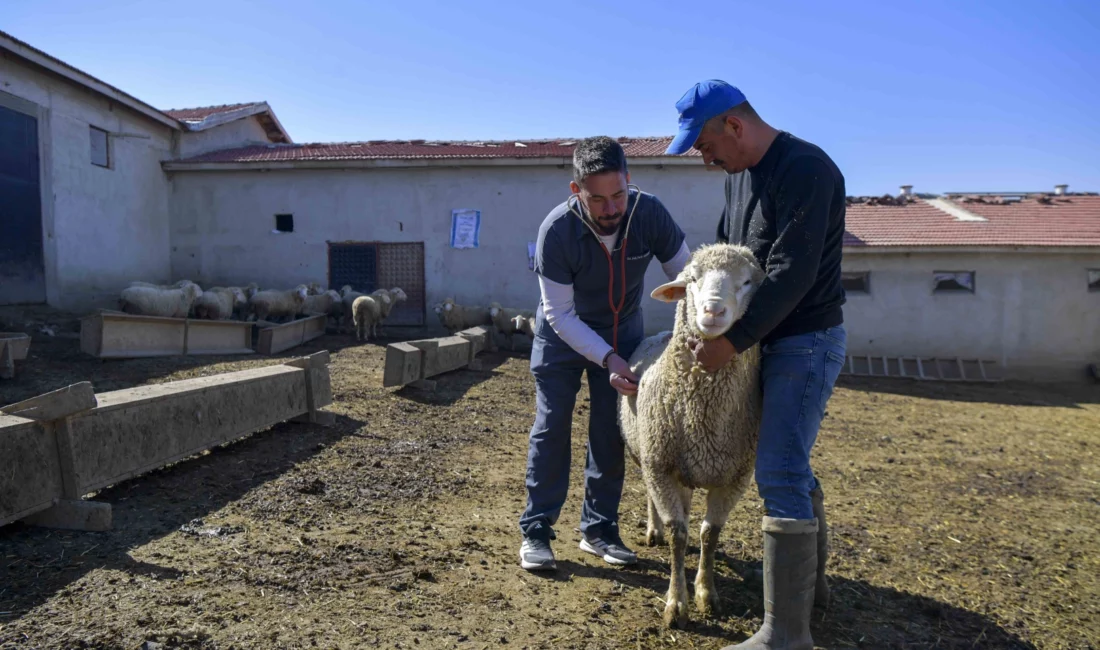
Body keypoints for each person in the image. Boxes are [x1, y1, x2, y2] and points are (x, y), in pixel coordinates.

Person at [664, 80, 847, 649]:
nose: (704, 156)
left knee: (778, 470)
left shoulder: (807, 170)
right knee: (788, 460)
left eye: (704, 143)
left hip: (803, 340)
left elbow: (791, 271)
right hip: (760, 343)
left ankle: (785, 635)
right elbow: (726, 253)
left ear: (734, 126)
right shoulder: (739, 179)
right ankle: (812, 593)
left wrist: (732, 341)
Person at [518, 136, 691, 572]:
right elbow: (559, 313)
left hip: (624, 330)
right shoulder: (556, 231)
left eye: (619, 194)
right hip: (563, 335)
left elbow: (688, 279)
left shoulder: (649, 213)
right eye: (598, 199)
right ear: (577, 191)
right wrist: (607, 358)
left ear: (629, 181)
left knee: (611, 430)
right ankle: (537, 531)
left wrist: (692, 334)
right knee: (552, 424)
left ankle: (599, 530)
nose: (612, 208)